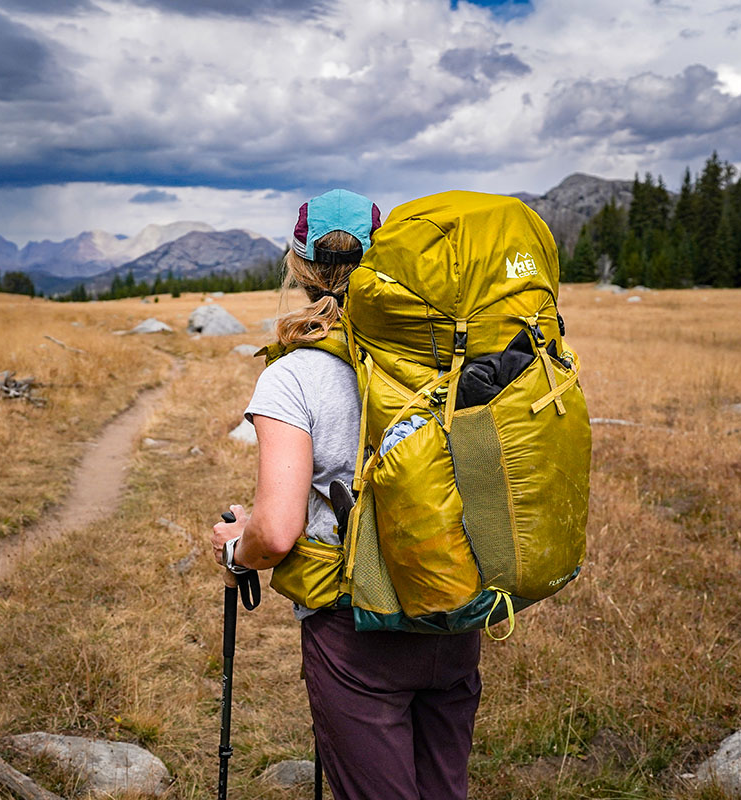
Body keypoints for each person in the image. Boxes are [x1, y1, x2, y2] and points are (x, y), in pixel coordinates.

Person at [211, 189, 483, 800]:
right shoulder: (444, 357)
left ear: (298, 266)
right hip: (452, 611)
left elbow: (277, 533)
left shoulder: (294, 375)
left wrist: (237, 548)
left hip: (356, 633)